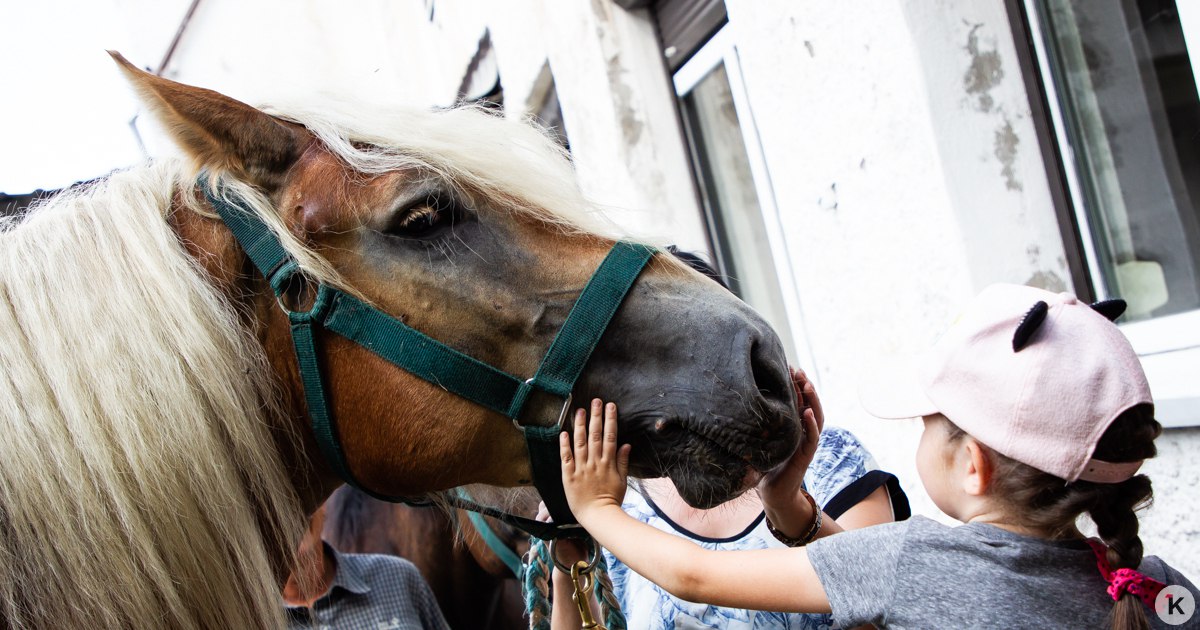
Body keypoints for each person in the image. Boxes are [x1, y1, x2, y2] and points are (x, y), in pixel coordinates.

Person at [556, 285, 1198, 629]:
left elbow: (694, 577)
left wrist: (597, 508)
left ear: (973, 466)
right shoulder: (1158, 588)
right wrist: (788, 504)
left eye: (928, 423)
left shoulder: (913, 560)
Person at [546, 251, 909, 629]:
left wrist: (789, 505)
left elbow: (877, 611)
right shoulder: (614, 502)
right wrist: (568, 561)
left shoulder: (831, 461)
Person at [283, 504, 450, 630]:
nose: (291, 507)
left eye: (301, 488)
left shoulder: (399, 576)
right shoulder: (265, 620)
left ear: (324, 503)